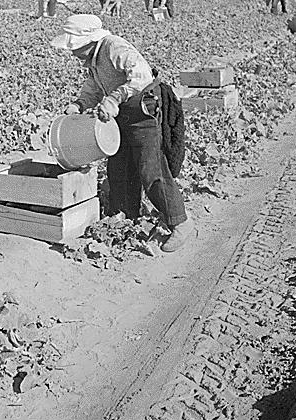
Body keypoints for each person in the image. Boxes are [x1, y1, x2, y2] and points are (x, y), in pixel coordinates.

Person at [51, 14, 194, 252]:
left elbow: (142, 75)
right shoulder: (94, 59)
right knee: (119, 167)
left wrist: (115, 98)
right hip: (122, 115)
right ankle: (126, 216)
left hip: (142, 111)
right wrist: (79, 104)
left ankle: (180, 222)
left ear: (88, 40)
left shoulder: (114, 46)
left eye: (73, 45)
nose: (72, 52)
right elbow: (95, 87)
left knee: (151, 169)